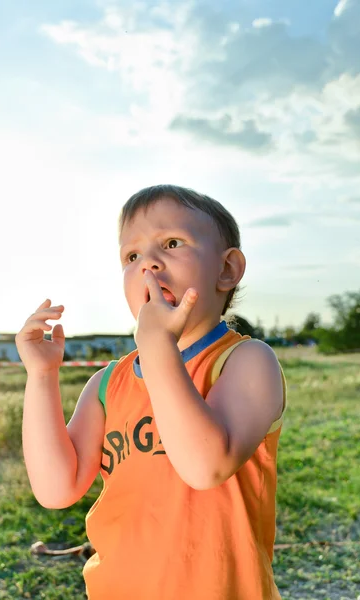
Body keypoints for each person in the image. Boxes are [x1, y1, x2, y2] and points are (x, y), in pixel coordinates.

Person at [15, 184, 287, 599]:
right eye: (132, 256)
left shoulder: (245, 361)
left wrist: (157, 345)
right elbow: (57, 488)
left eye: (172, 243)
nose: (149, 266)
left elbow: (204, 467)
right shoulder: (108, 385)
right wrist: (41, 376)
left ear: (227, 269)